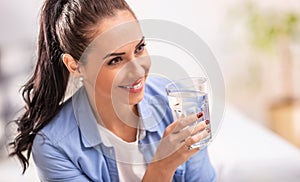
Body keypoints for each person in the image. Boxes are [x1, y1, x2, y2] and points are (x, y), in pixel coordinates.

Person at [9, 0, 216, 181]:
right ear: (74, 66)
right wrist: (162, 168)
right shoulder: (55, 147)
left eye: (139, 48)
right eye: (115, 60)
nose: (137, 70)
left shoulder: (178, 102)